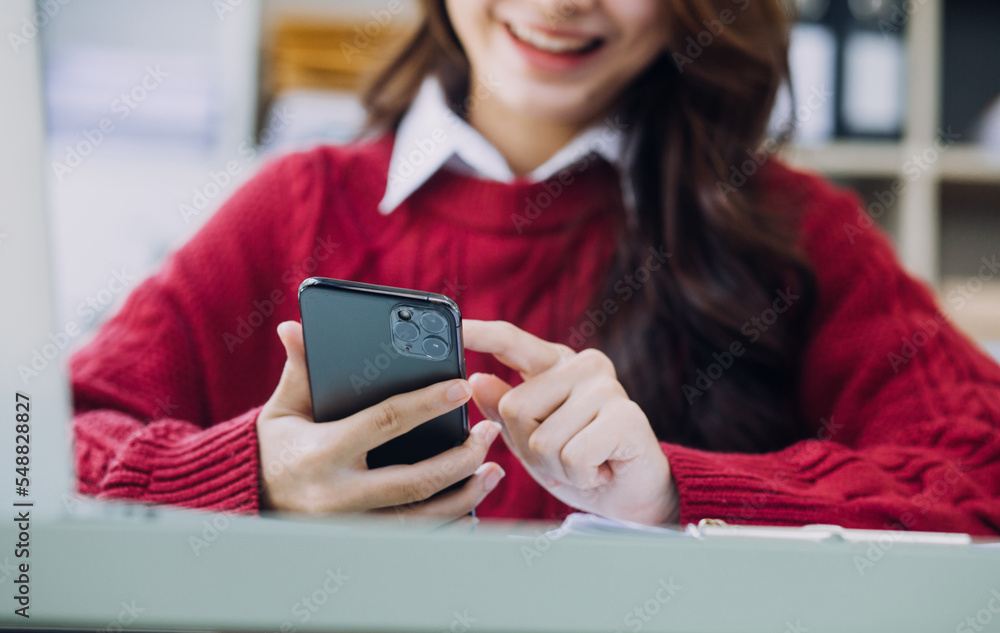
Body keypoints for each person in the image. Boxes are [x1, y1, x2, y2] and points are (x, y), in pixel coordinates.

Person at [72, 0, 1000, 534]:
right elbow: (36, 451)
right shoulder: (296, 208)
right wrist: (248, 475)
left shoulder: (794, 231)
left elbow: (979, 480)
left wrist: (676, 493)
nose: (558, 3)